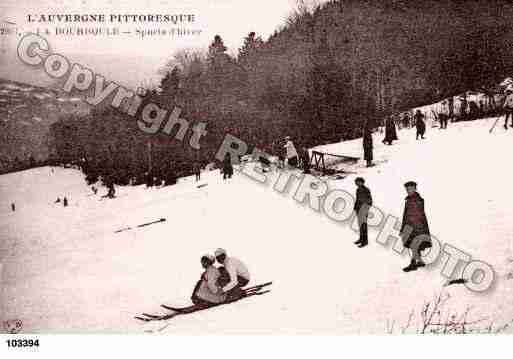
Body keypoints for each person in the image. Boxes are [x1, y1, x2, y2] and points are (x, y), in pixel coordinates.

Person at [400, 181, 432, 272]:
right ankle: (420, 261)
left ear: (415, 188)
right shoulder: (409, 199)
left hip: (417, 227)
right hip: (411, 226)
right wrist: (403, 228)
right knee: (414, 245)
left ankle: (413, 264)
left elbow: (417, 215)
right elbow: (405, 215)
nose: (408, 190)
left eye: (410, 188)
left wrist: (412, 229)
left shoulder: (417, 200)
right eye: (407, 189)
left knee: (414, 245)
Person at [353, 177, 373, 248]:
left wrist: (365, 209)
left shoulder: (366, 190)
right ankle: (361, 239)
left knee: (363, 226)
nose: (357, 183)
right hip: (358, 209)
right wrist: (355, 207)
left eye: (358, 182)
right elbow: (357, 199)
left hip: (364, 209)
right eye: (356, 182)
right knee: (360, 225)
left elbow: (370, 201)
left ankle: (365, 241)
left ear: (362, 182)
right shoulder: (358, 190)